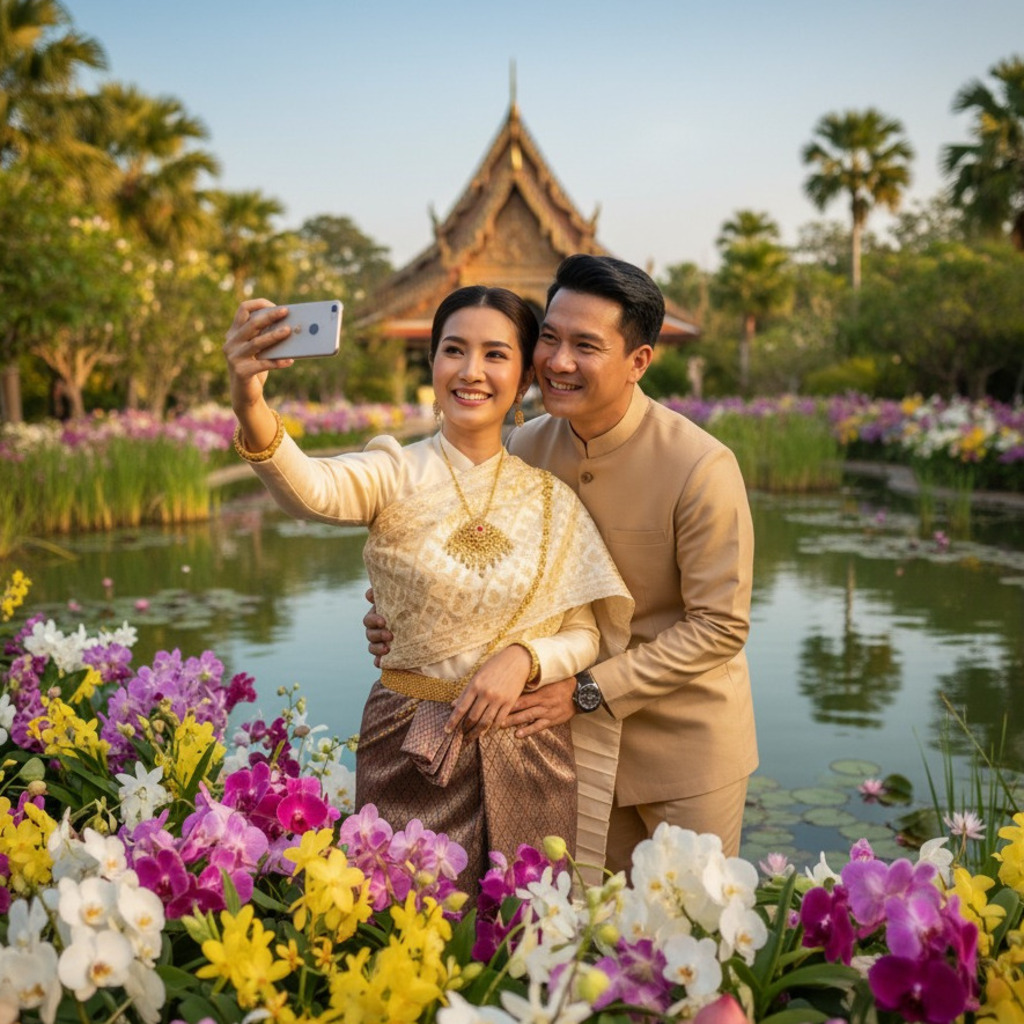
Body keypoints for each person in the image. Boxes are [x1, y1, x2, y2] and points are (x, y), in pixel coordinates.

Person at [224, 285, 633, 889]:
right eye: (453, 350)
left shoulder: (552, 502)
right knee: (403, 926)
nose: (471, 372)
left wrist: (524, 659)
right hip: (408, 743)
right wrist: (248, 399)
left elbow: (585, 634)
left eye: (496, 355)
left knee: (526, 934)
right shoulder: (393, 470)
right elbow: (310, 489)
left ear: (523, 378)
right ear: (434, 363)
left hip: (527, 745)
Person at [367, 255, 757, 873]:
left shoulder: (701, 468)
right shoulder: (522, 446)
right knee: (582, 936)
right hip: (555, 744)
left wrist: (588, 689)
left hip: (682, 750)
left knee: (687, 927)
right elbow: (455, 559)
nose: (558, 360)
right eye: (548, 337)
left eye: (586, 345)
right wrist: (407, 617)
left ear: (638, 362)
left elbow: (720, 627)